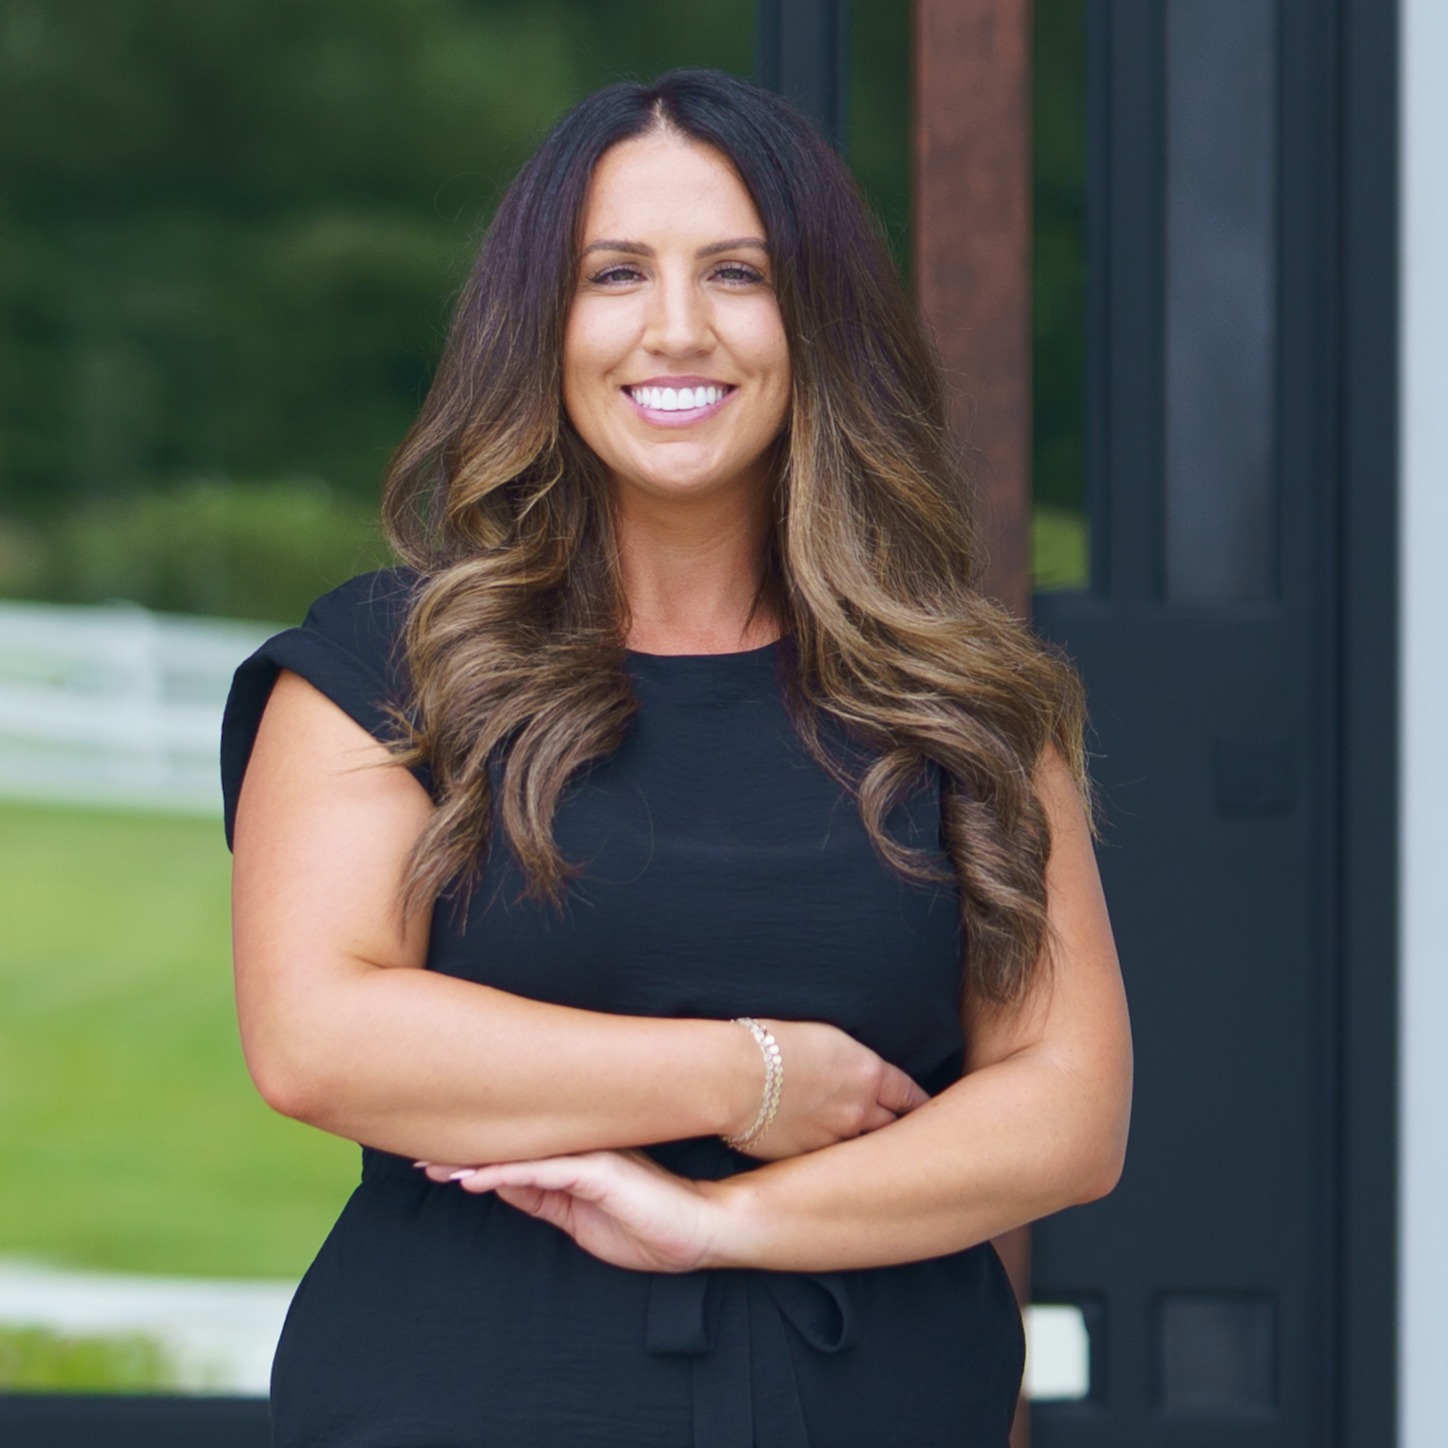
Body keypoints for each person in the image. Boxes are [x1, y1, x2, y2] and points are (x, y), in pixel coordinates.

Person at [223, 67, 1131, 1448]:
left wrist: (717, 1220)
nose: (676, 329)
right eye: (614, 274)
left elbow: (1069, 1111)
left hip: (873, 1402)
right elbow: (319, 1039)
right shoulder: (392, 667)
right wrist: (754, 1075)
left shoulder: (964, 698)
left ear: (818, 323)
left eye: (738, 274)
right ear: (539, 325)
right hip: (469, 1398)